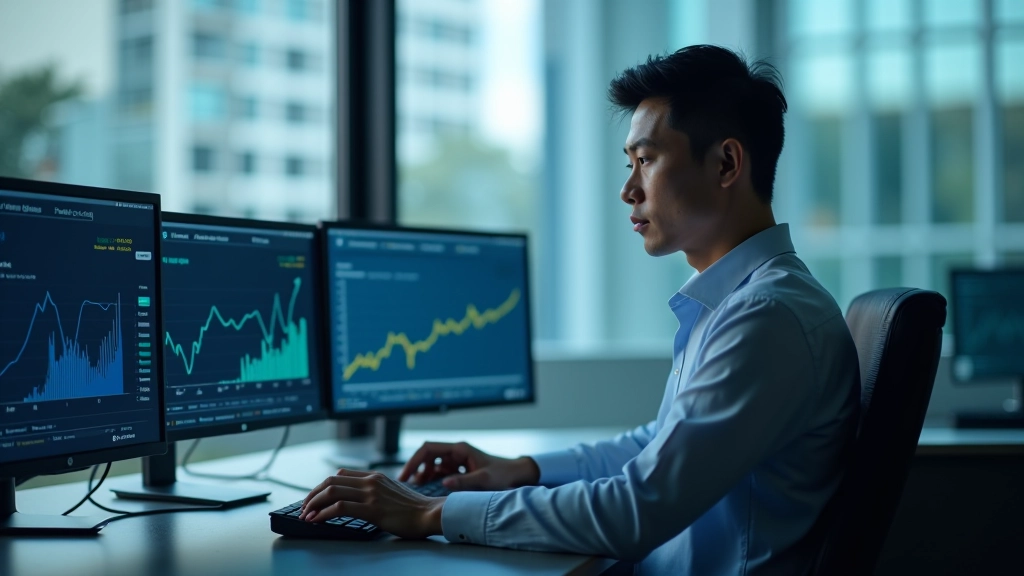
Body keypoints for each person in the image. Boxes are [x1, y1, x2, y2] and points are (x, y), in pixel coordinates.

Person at [299, 44, 861, 575]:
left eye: (646, 160)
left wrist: (431, 513)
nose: (629, 190)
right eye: (629, 163)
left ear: (726, 163)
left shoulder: (765, 317)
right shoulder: (742, 302)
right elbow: (658, 445)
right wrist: (520, 470)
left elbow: (636, 509)